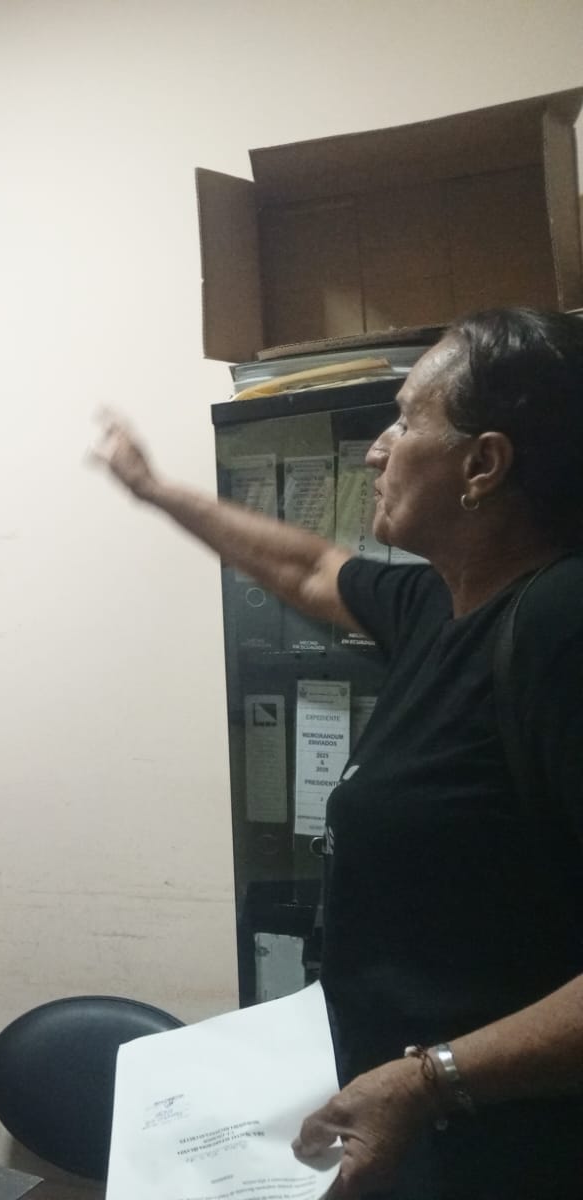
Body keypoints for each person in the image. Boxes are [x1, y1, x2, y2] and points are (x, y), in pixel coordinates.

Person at [93, 307, 583, 1199]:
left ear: (483, 464)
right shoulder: (443, 606)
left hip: (518, 1153)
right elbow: (309, 568)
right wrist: (158, 492)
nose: (375, 452)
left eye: (404, 421)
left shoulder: (559, 627)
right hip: (416, 1135)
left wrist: (430, 1080)